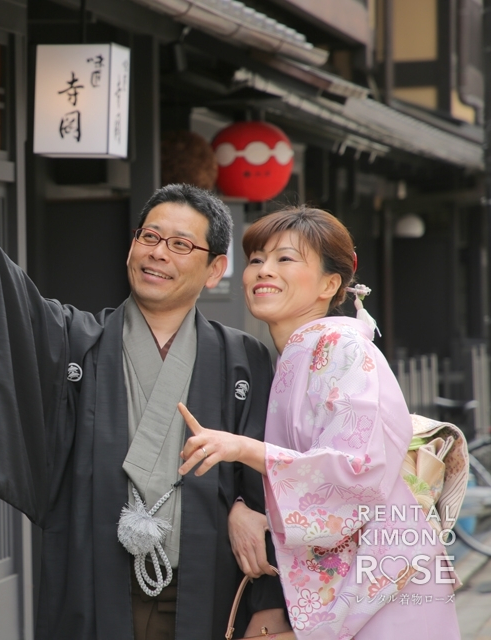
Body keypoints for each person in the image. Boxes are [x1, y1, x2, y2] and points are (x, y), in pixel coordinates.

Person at [0, 170, 288, 639]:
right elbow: (22, 322)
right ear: (132, 245)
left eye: (181, 245)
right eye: (150, 236)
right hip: (95, 587)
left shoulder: (243, 359)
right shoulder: (78, 340)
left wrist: (267, 601)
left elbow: (269, 484)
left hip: (209, 591)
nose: (158, 253)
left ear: (214, 270)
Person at [177, 207, 462, 639]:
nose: (263, 271)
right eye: (256, 259)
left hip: (380, 585)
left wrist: (243, 450)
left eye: (285, 259)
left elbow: (359, 469)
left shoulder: (342, 348)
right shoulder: (297, 352)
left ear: (331, 284)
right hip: (364, 578)